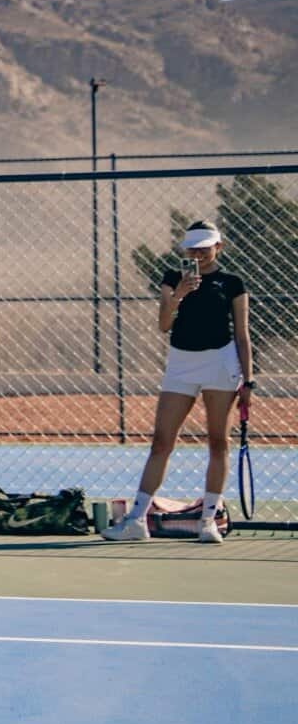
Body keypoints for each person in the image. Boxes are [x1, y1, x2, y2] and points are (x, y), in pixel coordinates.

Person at [102, 221, 254, 544]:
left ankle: (208, 521)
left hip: (221, 363)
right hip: (181, 364)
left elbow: (242, 335)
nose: (198, 253)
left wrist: (249, 382)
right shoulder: (172, 278)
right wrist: (180, 294)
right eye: (193, 248)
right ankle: (136, 521)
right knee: (161, 442)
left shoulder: (233, 283)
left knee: (218, 442)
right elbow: (163, 324)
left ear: (218, 247)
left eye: (205, 247)